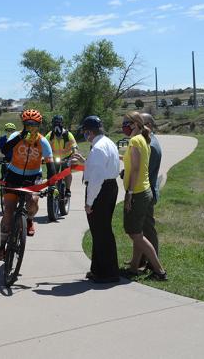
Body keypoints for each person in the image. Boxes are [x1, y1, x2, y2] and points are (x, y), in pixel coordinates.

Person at [0, 109, 55, 261]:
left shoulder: (42, 141)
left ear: (39, 125)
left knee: (33, 201)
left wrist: (52, 184)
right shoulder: (16, 136)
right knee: (8, 212)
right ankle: (2, 247)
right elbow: (5, 150)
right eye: (27, 124)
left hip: (34, 176)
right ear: (23, 124)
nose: (31, 127)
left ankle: (29, 219)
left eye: (34, 124)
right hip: (13, 175)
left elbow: (51, 166)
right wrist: (20, 137)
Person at [71, 116, 120, 283]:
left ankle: (108, 273)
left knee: (101, 232)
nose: (84, 135)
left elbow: (97, 178)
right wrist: (85, 162)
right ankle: (97, 269)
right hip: (109, 187)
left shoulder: (98, 148)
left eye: (85, 132)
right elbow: (101, 168)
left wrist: (89, 202)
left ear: (90, 132)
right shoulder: (108, 143)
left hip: (101, 191)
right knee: (99, 231)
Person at [120, 111, 167, 281]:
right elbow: (134, 163)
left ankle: (158, 269)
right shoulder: (144, 140)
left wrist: (129, 194)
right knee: (138, 231)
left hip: (139, 192)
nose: (123, 125)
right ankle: (134, 266)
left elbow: (136, 169)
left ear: (135, 124)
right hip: (144, 190)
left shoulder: (138, 141)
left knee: (138, 233)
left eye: (126, 122)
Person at [138, 112, 162, 266]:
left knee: (147, 229)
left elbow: (143, 171)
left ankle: (154, 264)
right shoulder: (149, 141)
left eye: (141, 123)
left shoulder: (151, 145)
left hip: (147, 192)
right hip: (147, 190)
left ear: (150, 126)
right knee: (141, 228)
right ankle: (142, 259)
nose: (137, 126)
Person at [45, 115, 78, 197]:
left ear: (62, 124)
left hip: (67, 157)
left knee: (67, 171)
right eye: (55, 123)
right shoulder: (50, 135)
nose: (56, 125)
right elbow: (43, 146)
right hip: (54, 157)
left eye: (58, 123)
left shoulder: (68, 135)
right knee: (51, 173)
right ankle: (52, 189)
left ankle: (67, 189)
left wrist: (74, 156)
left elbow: (74, 147)